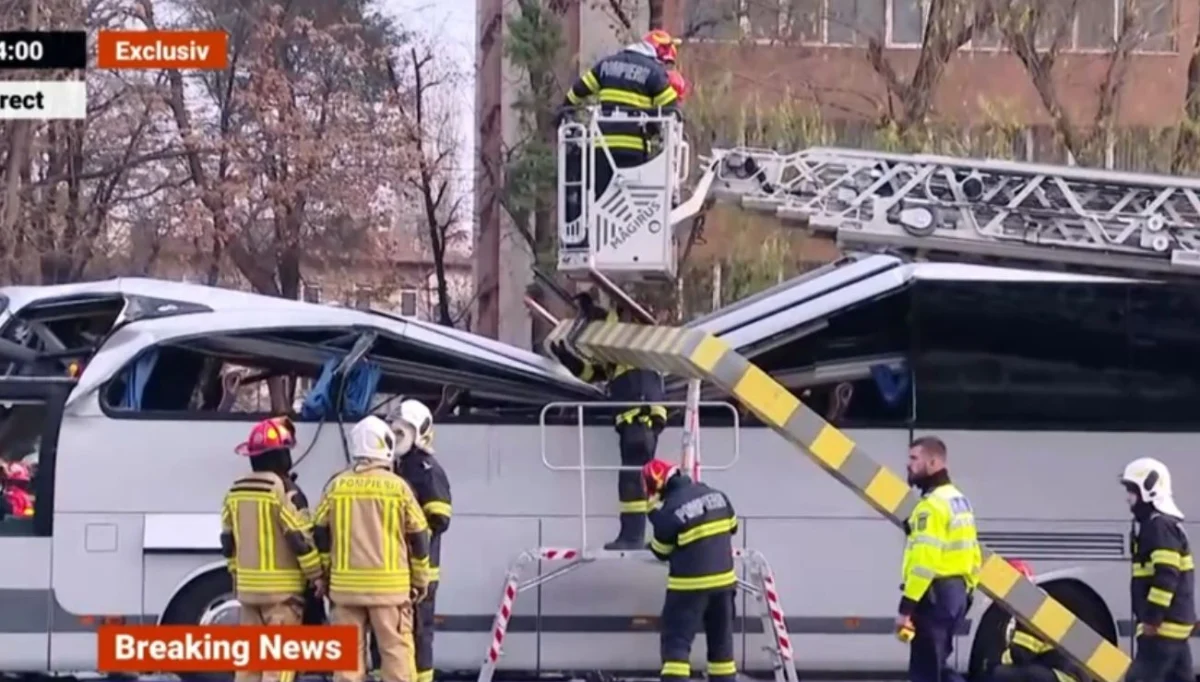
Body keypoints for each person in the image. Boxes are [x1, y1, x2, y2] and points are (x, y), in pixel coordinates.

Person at [314, 415, 432, 682]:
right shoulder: (398, 488)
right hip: (390, 593)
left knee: (347, 666)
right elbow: (419, 535)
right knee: (396, 658)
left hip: (345, 592)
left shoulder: (336, 486)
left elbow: (318, 529)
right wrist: (421, 578)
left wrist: (323, 572)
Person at [549, 292, 668, 549]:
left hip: (640, 414)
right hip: (635, 416)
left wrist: (592, 311)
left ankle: (632, 536)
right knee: (633, 475)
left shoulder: (631, 336)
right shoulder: (616, 356)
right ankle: (634, 534)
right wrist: (566, 358)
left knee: (632, 477)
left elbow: (619, 321)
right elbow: (591, 373)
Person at [220, 417, 325, 682]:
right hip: (282, 596)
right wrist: (317, 576)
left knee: (249, 667)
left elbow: (227, 540)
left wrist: (236, 576)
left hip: (248, 592)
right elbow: (300, 538)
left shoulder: (235, 490)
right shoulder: (284, 491)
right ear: (281, 455)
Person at [559, 29, 681, 226]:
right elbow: (671, 109)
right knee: (629, 207)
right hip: (632, 149)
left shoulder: (607, 64)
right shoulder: (654, 73)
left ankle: (594, 237)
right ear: (658, 53)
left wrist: (565, 110)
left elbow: (578, 90)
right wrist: (655, 129)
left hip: (602, 147)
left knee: (601, 198)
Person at [643, 459, 738, 682]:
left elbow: (661, 551)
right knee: (722, 652)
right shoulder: (718, 496)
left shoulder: (669, 510)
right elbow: (733, 527)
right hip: (724, 586)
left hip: (688, 589)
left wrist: (653, 514)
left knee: (676, 647)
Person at [897, 436, 982, 682]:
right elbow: (973, 553)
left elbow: (925, 563)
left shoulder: (931, 507)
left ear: (933, 462)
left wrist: (906, 607)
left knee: (925, 673)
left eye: (914, 458)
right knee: (938, 668)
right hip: (954, 596)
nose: (908, 464)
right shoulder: (959, 500)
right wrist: (967, 592)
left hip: (934, 597)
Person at [393, 399, 453, 682]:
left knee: (419, 633)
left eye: (402, 432)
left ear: (419, 432)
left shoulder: (427, 468)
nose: (396, 439)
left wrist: (411, 529)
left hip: (422, 571)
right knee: (396, 634)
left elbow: (440, 517)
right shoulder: (397, 466)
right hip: (398, 569)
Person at [1120, 457, 1194, 682]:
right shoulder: (1165, 525)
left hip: (1162, 630)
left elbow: (1166, 575)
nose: (1128, 499)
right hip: (1175, 629)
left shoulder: (1158, 527)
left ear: (1148, 490)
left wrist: (1152, 618)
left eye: (1131, 491)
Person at [990, 560, 1076, 682]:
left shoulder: (1031, 608)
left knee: (1000, 673)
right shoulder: (1038, 602)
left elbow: (1021, 654)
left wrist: (998, 660)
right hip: (1063, 672)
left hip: (1064, 676)